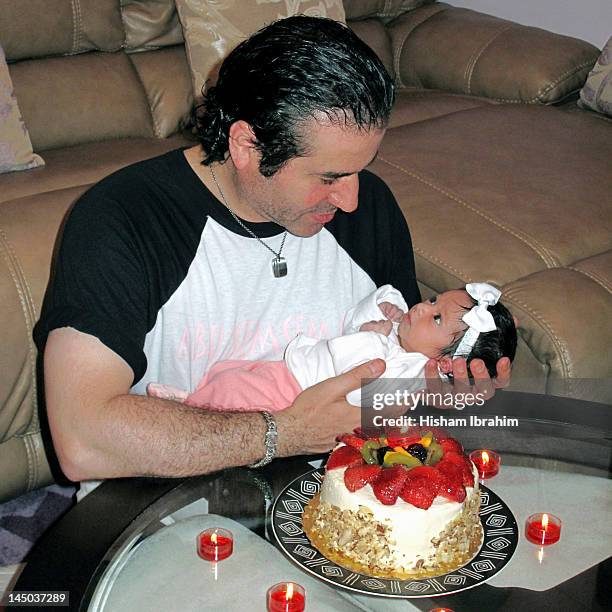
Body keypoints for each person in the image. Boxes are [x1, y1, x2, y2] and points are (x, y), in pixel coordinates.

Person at [34, 16, 511, 489]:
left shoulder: (370, 211)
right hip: (172, 506)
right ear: (246, 145)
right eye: (328, 178)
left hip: (342, 499)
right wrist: (285, 432)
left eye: (360, 169)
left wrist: (449, 387)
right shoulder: (122, 220)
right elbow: (82, 439)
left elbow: (403, 363)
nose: (351, 199)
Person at [146, 283, 517, 410]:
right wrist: (381, 313)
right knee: (228, 372)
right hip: (286, 368)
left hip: (292, 394)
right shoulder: (396, 332)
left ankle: (189, 406)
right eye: (434, 300)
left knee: (233, 393)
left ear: (447, 362)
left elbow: (364, 389)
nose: (422, 307)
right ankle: (196, 397)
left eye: (435, 319)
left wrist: (374, 336)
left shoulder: (409, 372)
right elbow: (365, 309)